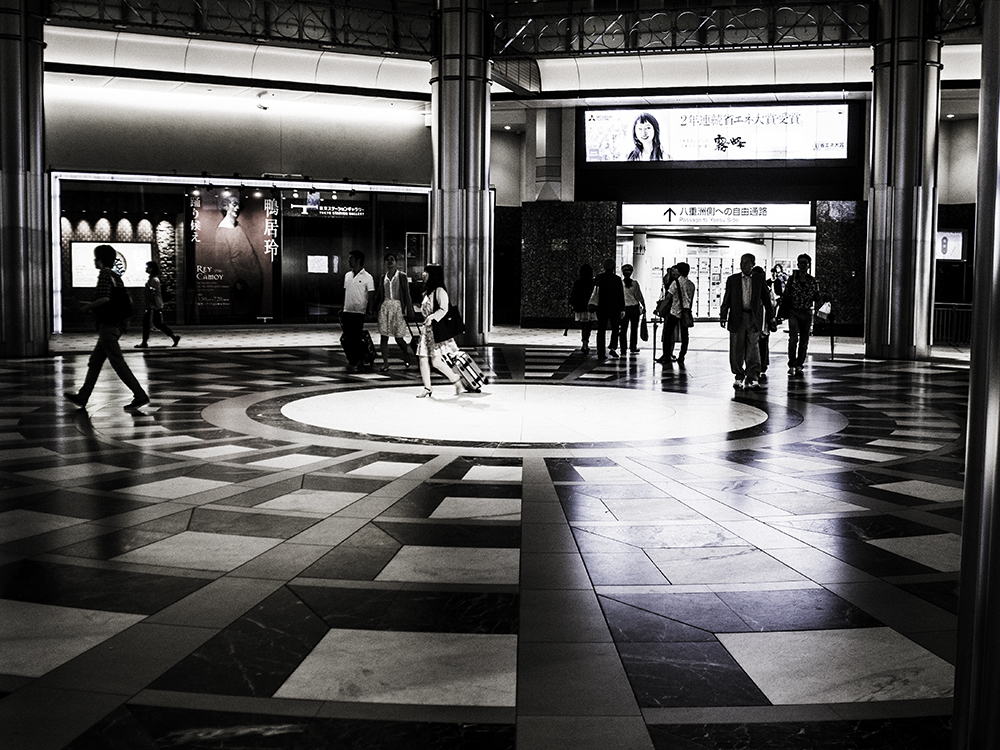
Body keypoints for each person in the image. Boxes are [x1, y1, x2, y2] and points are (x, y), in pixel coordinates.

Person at [64, 244, 150, 411]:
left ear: (102, 260)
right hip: (116, 324)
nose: (95, 261)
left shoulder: (104, 274)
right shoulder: (116, 276)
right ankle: (83, 396)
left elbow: (104, 298)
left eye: (96, 258)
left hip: (109, 325)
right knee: (95, 361)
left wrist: (86, 307)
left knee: (117, 362)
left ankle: (140, 395)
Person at [719, 252, 774, 390]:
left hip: (753, 317)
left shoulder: (758, 279)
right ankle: (738, 375)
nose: (743, 265)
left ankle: (753, 377)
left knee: (753, 349)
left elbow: (767, 299)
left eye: (746, 262)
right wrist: (723, 315)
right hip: (737, 317)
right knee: (736, 348)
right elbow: (727, 298)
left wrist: (771, 317)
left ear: (752, 264)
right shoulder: (733, 279)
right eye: (742, 262)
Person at [416, 264, 466, 398]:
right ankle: (427, 387)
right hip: (426, 331)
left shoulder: (440, 291)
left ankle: (456, 381)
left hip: (435, 331)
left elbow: (444, 309)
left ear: (433, 274)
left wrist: (432, 317)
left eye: (426, 272)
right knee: (423, 359)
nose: (423, 274)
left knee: (436, 361)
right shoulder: (427, 292)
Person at [216, 193, 263, 318]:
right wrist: (235, 281)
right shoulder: (222, 231)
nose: (237, 208)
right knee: (242, 311)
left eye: (238, 205)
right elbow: (224, 261)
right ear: (226, 207)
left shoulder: (237, 227)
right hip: (242, 282)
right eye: (234, 205)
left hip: (252, 280)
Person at [781, 253, 822, 376]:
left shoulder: (812, 280)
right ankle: (792, 363)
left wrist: (822, 297)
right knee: (793, 338)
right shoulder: (792, 279)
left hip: (807, 312)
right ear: (798, 264)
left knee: (804, 340)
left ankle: (800, 364)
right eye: (801, 263)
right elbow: (786, 295)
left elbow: (816, 296)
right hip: (794, 311)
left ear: (809, 265)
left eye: (805, 263)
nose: (803, 265)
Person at [373, 253, 414, 371]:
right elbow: (379, 294)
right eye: (387, 260)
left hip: (398, 307)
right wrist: (374, 308)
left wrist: (409, 310)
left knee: (398, 337)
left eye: (392, 259)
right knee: (384, 336)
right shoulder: (382, 277)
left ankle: (406, 354)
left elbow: (406, 294)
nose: (389, 262)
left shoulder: (401, 276)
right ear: (384, 263)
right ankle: (385, 363)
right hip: (385, 307)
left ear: (396, 262)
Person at [342, 250, 375, 372]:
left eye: (351, 258)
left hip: (359, 312)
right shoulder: (347, 275)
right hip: (347, 310)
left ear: (358, 261)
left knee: (355, 337)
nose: (349, 261)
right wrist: (342, 308)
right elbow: (345, 293)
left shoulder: (368, 277)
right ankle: (354, 358)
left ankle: (355, 360)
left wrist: (370, 311)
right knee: (347, 337)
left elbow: (371, 295)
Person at [135, 261, 180, 349]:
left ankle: (144, 342)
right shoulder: (152, 279)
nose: (146, 269)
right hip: (154, 305)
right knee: (157, 323)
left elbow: (153, 293)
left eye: (147, 267)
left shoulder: (154, 280)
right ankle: (174, 337)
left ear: (151, 269)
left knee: (148, 323)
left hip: (153, 305)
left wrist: (151, 305)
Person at [658, 262, 695, 365]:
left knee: (668, 333)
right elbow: (691, 300)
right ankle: (682, 355)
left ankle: (666, 355)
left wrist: (659, 309)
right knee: (685, 335)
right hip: (686, 312)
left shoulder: (675, 283)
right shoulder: (691, 284)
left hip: (675, 311)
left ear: (680, 271)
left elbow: (668, 297)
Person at [591, 257, 626, 359]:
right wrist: (622, 308)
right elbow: (620, 295)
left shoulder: (599, 278)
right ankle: (612, 348)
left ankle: (600, 352)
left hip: (601, 307)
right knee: (615, 328)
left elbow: (594, 291)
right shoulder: (617, 279)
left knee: (601, 329)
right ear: (614, 267)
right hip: (614, 307)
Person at [754, 266, 776, 380]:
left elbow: (771, 304)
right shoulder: (767, 289)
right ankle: (762, 365)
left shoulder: (767, 289)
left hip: (763, 321)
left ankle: (760, 365)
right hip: (762, 322)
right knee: (762, 344)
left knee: (759, 344)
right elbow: (772, 304)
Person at [569, 263, 597, 354]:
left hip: (580, 307)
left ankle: (584, 342)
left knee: (583, 325)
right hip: (590, 307)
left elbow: (573, 295)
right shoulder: (592, 283)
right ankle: (585, 342)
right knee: (588, 326)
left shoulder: (578, 283)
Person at [619, 263, 646, 354]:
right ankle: (633, 347)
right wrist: (644, 305)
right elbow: (639, 296)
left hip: (624, 309)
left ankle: (623, 348)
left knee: (623, 329)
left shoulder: (620, 284)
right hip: (634, 308)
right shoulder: (635, 284)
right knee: (634, 329)